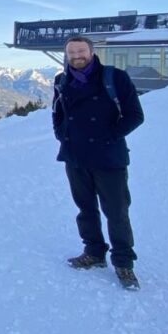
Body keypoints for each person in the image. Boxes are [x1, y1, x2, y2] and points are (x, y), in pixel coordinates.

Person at [52, 35, 145, 289]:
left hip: (108, 157)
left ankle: (124, 264)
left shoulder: (114, 78)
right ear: (67, 54)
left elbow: (135, 115)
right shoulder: (61, 80)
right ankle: (93, 252)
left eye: (81, 50)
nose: (76, 55)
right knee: (85, 209)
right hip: (75, 156)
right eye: (72, 52)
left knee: (116, 212)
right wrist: (63, 135)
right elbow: (58, 113)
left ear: (91, 52)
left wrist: (110, 136)